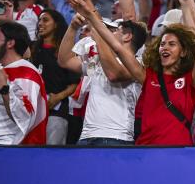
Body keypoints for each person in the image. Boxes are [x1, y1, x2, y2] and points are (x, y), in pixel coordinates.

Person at [67, 0, 195, 146]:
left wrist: (188, 3)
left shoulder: (190, 80)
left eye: (171, 44)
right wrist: (90, 16)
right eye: (162, 44)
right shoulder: (148, 76)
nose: (165, 48)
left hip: (177, 149)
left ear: (183, 52)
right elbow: (117, 46)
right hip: (145, 149)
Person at [58, 9, 147, 146]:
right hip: (86, 136)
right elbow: (65, 60)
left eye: (114, 31)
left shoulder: (138, 64)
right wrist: (73, 27)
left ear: (127, 36)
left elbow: (113, 74)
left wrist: (99, 37)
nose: (108, 35)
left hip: (116, 137)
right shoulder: (98, 60)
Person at [0, 21, 48, 145]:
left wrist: (4, 88)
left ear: (10, 43)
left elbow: (25, 117)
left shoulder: (27, 73)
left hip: (7, 146)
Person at [31, 9, 79, 145]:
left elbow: (74, 84)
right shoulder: (32, 49)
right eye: (39, 20)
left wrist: (57, 97)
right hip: (33, 112)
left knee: (53, 153)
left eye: (45, 20)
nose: (40, 23)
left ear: (56, 24)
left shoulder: (64, 53)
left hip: (56, 111)